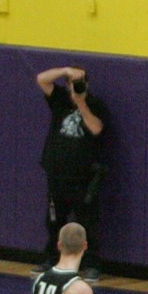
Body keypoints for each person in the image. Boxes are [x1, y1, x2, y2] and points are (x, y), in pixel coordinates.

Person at [35, 65, 109, 281]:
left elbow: (96, 129)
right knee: (54, 220)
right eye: (71, 83)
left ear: (87, 84)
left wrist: (81, 103)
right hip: (56, 172)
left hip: (83, 176)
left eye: (80, 82)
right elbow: (41, 79)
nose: (75, 86)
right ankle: (52, 258)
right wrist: (66, 71)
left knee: (87, 221)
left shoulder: (95, 104)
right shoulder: (59, 99)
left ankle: (91, 264)